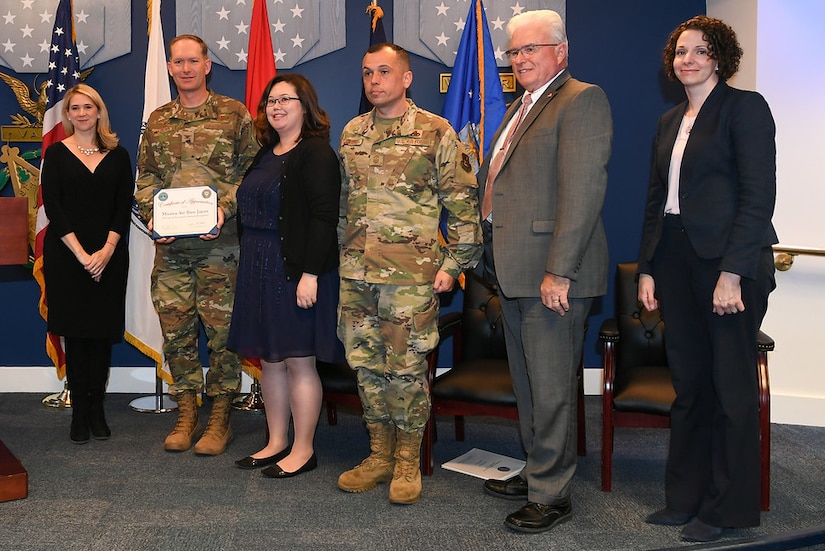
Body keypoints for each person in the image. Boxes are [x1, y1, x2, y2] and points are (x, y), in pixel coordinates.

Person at [637, 16, 777, 543]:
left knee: (729, 390)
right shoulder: (670, 119)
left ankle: (728, 510)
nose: (687, 59)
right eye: (679, 51)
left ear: (720, 57)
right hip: (674, 260)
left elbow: (757, 199)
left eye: (699, 50)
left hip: (728, 267)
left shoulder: (746, 109)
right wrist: (647, 267)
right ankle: (686, 498)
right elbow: (657, 201)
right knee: (689, 387)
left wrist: (733, 273)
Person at [476, 10, 612, 533]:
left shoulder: (582, 100)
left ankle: (552, 495)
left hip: (551, 275)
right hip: (511, 271)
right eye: (514, 52)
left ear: (561, 50)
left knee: (553, 388)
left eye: (532, 48)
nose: (522, 58)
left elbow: (582, 194)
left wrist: (560, 272)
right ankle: (538, 470)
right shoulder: (520, 107)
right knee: (529, 383)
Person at [337, 43, 482, 504]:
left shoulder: (435, 131)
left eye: (384, 71)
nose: (374, 80)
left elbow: (462, 204)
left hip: (409, 277)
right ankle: (379, 454)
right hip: (357, 273)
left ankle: (406, 460)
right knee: (365, 367)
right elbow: (344, 206)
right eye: (367, 73)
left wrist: (454, 263)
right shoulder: (352, 132)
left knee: (406, 369)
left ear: (406, 78)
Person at [135, 34, 258, 456]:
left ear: (207, 65)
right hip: (170, 250)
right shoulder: (158, 119)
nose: (185, 68)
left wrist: (224, 207)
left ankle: (220, 415)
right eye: (177, 62)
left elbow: (252, 172)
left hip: (220, 248)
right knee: (177, 332)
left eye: (193, 61)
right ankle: (186, 411)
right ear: (169, 68)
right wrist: (152, 214)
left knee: (222, 333)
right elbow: (146, 176)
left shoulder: (233, 114)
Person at [228, 74, 343, 478]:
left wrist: (309, 274)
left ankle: (303, 448)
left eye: (285, 100)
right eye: (270, 102)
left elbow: (324, 218)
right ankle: (276, 441)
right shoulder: (266, 153)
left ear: (305, 105)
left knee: (298, 362)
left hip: (295, 270)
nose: (275, 108)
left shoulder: (316, 154)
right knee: (271, 362)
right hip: (258, 268)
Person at [41, 84, 133, 444]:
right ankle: (79, 412)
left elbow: (121, 207)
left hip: (109, 255)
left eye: (87, 107)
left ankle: (98, 409)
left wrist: (107, 251)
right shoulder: (57, 154)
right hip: (68, 257)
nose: (81, 113)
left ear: (99, 112)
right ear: (67, 114)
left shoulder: (119, 155)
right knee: (77, 336)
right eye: (74, 108)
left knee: (100, 336)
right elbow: (54, 208)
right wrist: (82, 256)